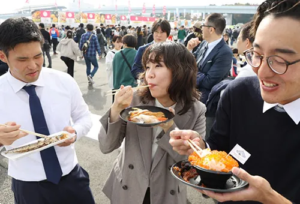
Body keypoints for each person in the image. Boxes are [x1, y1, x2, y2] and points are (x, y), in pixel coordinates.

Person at [169, 0, 300, 203]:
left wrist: (271, 198)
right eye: (257, 54)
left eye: (280, 60)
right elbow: (220, 151)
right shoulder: (238, 94)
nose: (262, 72)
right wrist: (203, 150)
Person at [0, 17, 94, 204]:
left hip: (72, 177)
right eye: (22, 59)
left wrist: (74, 132)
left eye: (38, 56)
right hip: (28, 186)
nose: (33, 66)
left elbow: (84, 117)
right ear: (3, 57)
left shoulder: (64, 81)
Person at [98, 41, 206, 204]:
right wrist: (115, 109)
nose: (150, 74)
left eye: (158, 65)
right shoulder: (134, 100)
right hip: (128, 188)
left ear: (180, 71)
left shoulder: (196, 110)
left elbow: (190, 163)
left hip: (166, 193)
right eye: (148, 67)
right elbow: (106, 146)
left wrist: (169, 127)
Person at [187, 13, 232, 104]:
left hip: (207, 103)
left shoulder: (225, 52)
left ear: (211, 29)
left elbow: (209, 82)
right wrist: (189, 50)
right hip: (192, 98)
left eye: (203, 25)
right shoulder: (204, 43)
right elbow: (191, 61)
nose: (201, 28)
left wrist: (190, 74)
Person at [105, 35, 123, 101]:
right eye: (117, 42)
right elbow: (108, 66)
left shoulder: (124, 52)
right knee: (115, 100)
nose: (120, 44)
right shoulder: (110, 53)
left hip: (123, 80)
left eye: (121, 42)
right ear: (113, 42)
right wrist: (117, 58)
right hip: (114, 80)